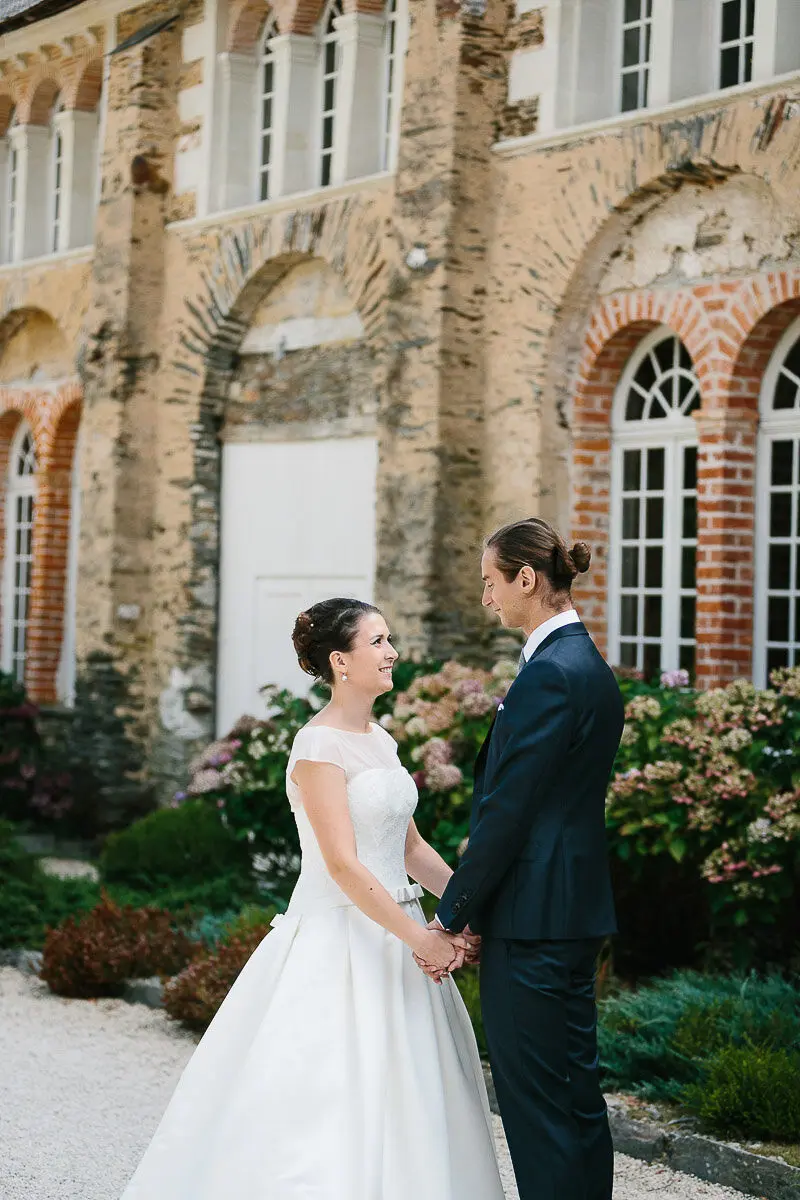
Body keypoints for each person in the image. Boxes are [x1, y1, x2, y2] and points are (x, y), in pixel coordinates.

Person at [120, 597, 505, 1200]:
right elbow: (344, 866)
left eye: (389, 639)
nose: (392, 653)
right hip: (344, 936)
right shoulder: (317, 746)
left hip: (400, 932)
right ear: (339, 661)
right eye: (377, 642)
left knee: (415, 1094)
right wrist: (424, 939)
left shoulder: (380, 739)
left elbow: (410, 849)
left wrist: (465, 907)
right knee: (330, 1098)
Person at [422, 517, 624, 1200]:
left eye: (490, 582)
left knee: (538, 1105)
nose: (486, 598)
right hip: (568, 909)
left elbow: (509, 814)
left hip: (535, 921)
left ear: (527, 579)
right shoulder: (584, 664)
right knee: (572, 1093)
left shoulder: (550, 675)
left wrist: (453, 913)